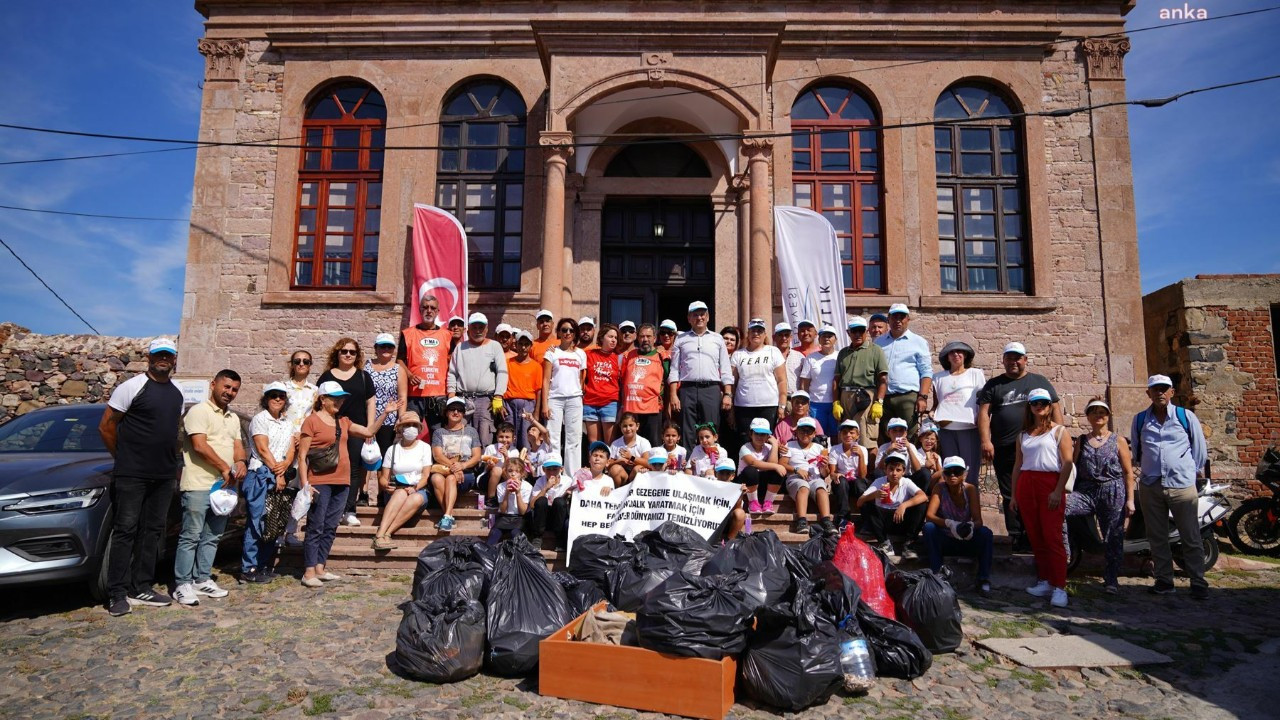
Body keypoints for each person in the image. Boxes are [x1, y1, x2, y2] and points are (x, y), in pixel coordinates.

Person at [98, 338, 185, 615]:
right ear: (149, 357)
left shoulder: (177, 393)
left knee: (152, 531)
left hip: (163, 474)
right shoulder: (132, 387)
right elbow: (106, 427)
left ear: (174, 360)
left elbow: (173, 433)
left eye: (168, 356)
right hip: (132, 473)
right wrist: (122, 458)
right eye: (159, 355)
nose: (163, 359)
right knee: (125, 530)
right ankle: (117, 593)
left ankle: (142, 586)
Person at [298, 380, 390, 588]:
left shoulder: (344, 421)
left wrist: (384, 413)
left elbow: (368, 432)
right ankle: (309, 570)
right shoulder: (311, 421)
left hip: (342, 481)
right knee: (316, 526)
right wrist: (305, 484)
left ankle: (320, 567)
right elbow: (302, 455)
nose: (340, 401)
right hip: (319, 482)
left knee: (330, 526)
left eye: (342, 398)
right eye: (335, 398)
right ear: (322, 399)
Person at [977, 341, 1062, 552]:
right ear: (1003, 360)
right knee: (1010, 493)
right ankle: (1016, 535)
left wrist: (1060, 435)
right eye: (1009, 358)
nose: (1013, 362)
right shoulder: (994, 384)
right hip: (1005, 447)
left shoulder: (1038, 381)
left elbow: (1055, 408)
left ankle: (1033, 534)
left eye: (1017, 358)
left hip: (1035, 446)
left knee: (1034, 491)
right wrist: (986, 441)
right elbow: (984, 414)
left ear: (1025, 359)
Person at [1131, 374, 1209, 599]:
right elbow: (1137, 450)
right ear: (1148, 393)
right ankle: (1164, 581)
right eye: (1155, 389)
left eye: (1164, 389)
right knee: (1157, 536)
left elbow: (1199, 450)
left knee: (1190, 535)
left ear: (1172, 392)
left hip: (1181, 484)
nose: (1160, 393)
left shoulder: (1185, 417)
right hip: (1151, 483)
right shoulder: (1139, 420)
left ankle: (1198, 581)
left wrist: (1187, 471)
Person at [172, 369, 245, 607]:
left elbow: (237, 445)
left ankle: (201, 579)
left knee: (213, 535)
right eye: (226, 387)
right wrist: (225, 467)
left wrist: (241, 462)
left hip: (223, 487)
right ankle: (182, 584)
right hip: (199, 483)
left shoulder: (232, 418)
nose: (229, 393)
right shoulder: (198, 411)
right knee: (191, 535)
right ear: (213, 384)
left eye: (234, 389)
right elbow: (200, 446)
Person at [1011, 387, 1073, 608]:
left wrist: (1058, 490)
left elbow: (1067, 463)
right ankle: (1045, 580)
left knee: (1052, 536)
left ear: (1050, 406)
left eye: (1044, 403)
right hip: (1027, 484)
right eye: (1036, 403)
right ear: (1030, 406)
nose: (1040, 407)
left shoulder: (1059, 431)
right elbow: (1018, 465)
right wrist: (1014, 494)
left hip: (1049, 483)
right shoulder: (1023, 434)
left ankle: (1060, 586)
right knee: (1036, 536)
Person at [1069, 397, 1136, 594]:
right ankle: (1066, 552)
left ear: (1108, 416)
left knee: (1113, 535)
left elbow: (1127, 471)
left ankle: (1111, 579)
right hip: (1086, 491)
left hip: (1112, 490)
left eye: (1102, 412)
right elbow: (1073, 467)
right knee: (1060, 506)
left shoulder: (1118, 440)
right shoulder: (1081, 440)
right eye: (1094, 411)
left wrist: (1130, 499)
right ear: (1088, 416)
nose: (1099, 415)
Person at [318, 337, 377, 527]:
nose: (348, 355)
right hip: (331, 428)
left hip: (356, 429)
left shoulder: (363, 376)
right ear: (337, 353)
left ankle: (349, 510)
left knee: (352, 469)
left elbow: (371, 402)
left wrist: (370, 428)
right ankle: (329, 508)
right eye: (344, 351)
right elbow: (317, 401)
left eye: (352, 352)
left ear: (357, 355)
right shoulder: (327, 376)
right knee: (331, 466)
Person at [241, 381, 296, 584]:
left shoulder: (287, 423)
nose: (278, 399)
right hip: (262, 474)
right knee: (257, 522)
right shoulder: (259, 419)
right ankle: (249, 567)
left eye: (281, 396)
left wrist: (286, 464)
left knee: (273, 523)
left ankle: (263, 564)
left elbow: (291, 449)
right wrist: (278, 473)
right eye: (273, 395)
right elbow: (263, 449)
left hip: (279, 471)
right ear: (266, 399)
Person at [923, 456, 993, 595]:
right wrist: (949, 524)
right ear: (944, 474)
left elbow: (979, 520)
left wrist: (970, 527)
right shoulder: (939, 488)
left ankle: (983, 578)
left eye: (957, 472)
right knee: (929, 528)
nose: (953, 475)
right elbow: (930, 515)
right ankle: (938, 574)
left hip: (966, 537)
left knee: (986, 533)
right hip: (947, 536)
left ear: (964, 474)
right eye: (949, 472)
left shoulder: (970, 489)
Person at [668, 300, 733, 445]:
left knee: (711, 429)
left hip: (711, 389)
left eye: (702, 314)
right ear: (689, 318)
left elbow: (725, 368)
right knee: (687, 430)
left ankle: (711, 463)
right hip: (687, 389)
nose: (699, 318)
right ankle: (689, 466)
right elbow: (674, 369)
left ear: (708, 317)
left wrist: (727, 394)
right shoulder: (681, 339)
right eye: (695, 315)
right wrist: (673, 394)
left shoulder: (717, 339)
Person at [369, 411, 432, 550]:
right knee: (400, 493)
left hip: (417, 489)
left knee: (416, 498)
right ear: (400, 429)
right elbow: (383, 478)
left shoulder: (425, 448)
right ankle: (382, 535)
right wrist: (386, 486)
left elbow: (425, 476)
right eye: (407, 425)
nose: (411, 428)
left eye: (414, 425)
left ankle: (384, 533)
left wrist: (415, 488)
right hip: (396, 491)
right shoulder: (392, 449)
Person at [448, 312, 509, 447]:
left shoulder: (495, 346)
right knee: (462, 438)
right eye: (474, 327)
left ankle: (484, 467)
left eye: (481, 327)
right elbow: (452, 373)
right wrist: (451, 396)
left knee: (484, 437)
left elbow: (502, 372)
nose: (478, 331)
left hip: (486, 400)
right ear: (468, 329)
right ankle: (464, 467)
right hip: (463, 399)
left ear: (486, 329)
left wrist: (498, 395)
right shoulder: (460, 347)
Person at [873, 304, 932, 438]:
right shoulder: (878, 342)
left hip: (908, 397)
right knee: (885, 435)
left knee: (909, 436)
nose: (898, 321)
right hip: (884, 397)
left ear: (908, 319)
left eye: (902, 317)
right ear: (888, 319)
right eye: (894, 317)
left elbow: (926, 372)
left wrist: (922, 397)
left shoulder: (919, 342)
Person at [931, 340, 985, 486]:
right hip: (947, 430)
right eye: (952, 352)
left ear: (966, 355)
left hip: (969, 429)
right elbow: (936, 404)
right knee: (950, 472)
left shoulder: (975, 374)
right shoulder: (938, 378)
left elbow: (982, 402)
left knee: (969, 473)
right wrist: (932, 413)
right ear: (947, 357)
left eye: (960, 351)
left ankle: (971, 506)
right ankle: (952, 507)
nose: (956, 354)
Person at [730, 318, 786, 456]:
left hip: (768, 405)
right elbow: (732, 383)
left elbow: (782, 380)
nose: (756, 333)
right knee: (745, 441)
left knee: (766, 441)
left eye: (760, 331)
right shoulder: (738, 355)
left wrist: (782, 405)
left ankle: (767, 471)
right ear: (748, 334)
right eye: (753, 331)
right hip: (743, 406)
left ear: (765, 334)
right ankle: (747, 472)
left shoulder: (773, 351)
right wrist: (731, 409)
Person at [398, 291, 453, 432]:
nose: (429, 311)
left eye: (433, 308)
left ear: (438, 311)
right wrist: (409, 375)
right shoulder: (407, 333)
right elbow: (399, 360)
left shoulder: (447, 335)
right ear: (420, 309)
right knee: (410, 433)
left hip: (439, 394)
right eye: (425, 307)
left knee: (439, 434)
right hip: (414, 395)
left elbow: (453, 363)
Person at [427, 396, 483, 533]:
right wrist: (454, 467)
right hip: (445, 469)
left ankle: (446, 515)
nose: (456, 412)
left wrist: (462, 466)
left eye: (459, 410)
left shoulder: (471, 431)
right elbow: (437, 455)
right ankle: (449, 516)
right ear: (446, 412)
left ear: (463, 413)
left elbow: (477, 456)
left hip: (466, 473)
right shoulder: (439, 432)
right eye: (452, 409)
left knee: (451, 478)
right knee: (435, 478)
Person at [857, 451, 927, 559]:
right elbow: (859, 502)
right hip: (883, 523)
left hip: (901, 520)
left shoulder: (906, 482)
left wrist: (904, 505)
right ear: (885, 470)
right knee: (867, 505)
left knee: (921, 505)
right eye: (891, 469)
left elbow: (923, 496)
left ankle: (909, 544)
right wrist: (874, 495)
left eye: (898, 470)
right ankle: (884, 543)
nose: (894, 473)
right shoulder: (879, 481)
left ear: (903, 472)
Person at [834, 316, 887, 456]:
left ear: (866, 331)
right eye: (854, 331)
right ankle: (848, 472)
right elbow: (836, 380)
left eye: (861, 331)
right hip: (845, 395)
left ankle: (868, 475)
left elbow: (883, 379)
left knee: (867, 439)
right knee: (845, 437)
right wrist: (836, 402)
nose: (857, 334)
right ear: (848, 332)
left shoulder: (876, 350)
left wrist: (879, 402)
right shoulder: (843, 353)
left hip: (866, 396)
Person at [365, 332, 408, 503]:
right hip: (369, 419)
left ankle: (383, 493)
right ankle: (363, 492)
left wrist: (401, 418)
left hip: (388, 420)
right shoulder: (366, 367)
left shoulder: (398, 369)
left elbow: (402, 396)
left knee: (384, 458)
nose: (385, 349)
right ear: (375, 349)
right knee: (367, 457)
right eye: (382, 346)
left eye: (389, 346)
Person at [543, 317, 587, 476]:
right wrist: (544, 405)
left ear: (575, 333)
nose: (567, 333)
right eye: (564, 330)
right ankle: (552, 474)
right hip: (555, 399)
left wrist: (578, 393)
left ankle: (572, 477)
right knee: (553, 438)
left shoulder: (581, 354)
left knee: (574, 439)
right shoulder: (551, 352)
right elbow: (545, 380)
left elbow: (582, 379)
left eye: (571, 330)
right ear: (559, 333)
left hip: (574, 399)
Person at [784, 417, 834, 535]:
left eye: (809, 431)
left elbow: (825, 474)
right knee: (803, 487)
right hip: (795, 478)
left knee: (821, 488)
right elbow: (782, 464)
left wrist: (824, 467)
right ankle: (801, 520)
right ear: (796, 432)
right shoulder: (789, 445)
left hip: (815, 478)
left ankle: (826, 520)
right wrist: (796, 470)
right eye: (802, 430)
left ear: (814, 434)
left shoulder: (820, 448)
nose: (805, 434)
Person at [622, 323, 670, 444]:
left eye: (648, 336)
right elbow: (622, 379)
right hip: (631, 408)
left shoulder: (662, 356)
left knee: (653, 444)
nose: (645, 340)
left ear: (655, 338)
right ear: (637, 338)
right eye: (642, 336)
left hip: (652, 408)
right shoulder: (629, 355)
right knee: (632, 445)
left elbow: (669, 383)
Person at [583, 323, 623, 447]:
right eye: (610, 336)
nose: (613, 340)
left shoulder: (619, 358)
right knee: (593, 441)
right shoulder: (589, 354)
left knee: (610, 441)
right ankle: (596, 465)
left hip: (610, 402)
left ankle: (609, 466)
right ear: (601, 338)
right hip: (590, 402)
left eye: (615, 338)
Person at [738, 417, 788, 514]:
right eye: (757, 433)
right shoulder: (745, 447)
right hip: (746, 484)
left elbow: (773, 464)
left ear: (768, 436)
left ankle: (768, 502)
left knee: (777, 471)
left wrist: (774, 445)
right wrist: (776, 466)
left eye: (763, 434)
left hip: (763, 484)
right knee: (751, 470)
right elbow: (753, 463)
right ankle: (753, 502)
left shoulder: (769, 447)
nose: (760, 437)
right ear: (751, 434)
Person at [504, 330, 542, 448]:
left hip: (528, 405)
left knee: (526, 437)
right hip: (509, 404)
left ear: (531, 346)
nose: (523, 347)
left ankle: (526, 463)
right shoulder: (508, 363)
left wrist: (536, 411)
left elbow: (538, 390)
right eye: (521, 344)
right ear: (516, 345)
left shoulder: (536, 366)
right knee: (509, 436)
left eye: (527, 344)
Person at [799, 325, 840, 434]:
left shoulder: (840, 356)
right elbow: (804, 384)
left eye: (830, 336)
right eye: (824, 336)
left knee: (836, 435)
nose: (827, 339)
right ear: (819, 339)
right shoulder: (811, 358)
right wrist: (805, 404)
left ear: (835, 339)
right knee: (818, 436)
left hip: (835, 404)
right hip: (815, 404)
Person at [488, 450, 533, 545]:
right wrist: (507, 493)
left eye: (517, 471)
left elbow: (523, 511)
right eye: (510, 471)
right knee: (493, 535)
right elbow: (503, 510)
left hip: (520, 518)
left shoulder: (527, 486)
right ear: (505, 472)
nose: (513, 474)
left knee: (516, 535)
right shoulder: (501, 486)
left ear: (522, 473)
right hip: (505, 517)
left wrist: (518, 493)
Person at [829, 419, 869, 521]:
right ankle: (843, 516)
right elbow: (832, 473)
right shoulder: (834, 449)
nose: (848, 435)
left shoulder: (862, 449)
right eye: (845, 432)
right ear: (840, 435)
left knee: (860, 484)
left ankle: (867, 519)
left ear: (857, 435)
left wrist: (861, 456)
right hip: (842, 483)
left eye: (852, 433)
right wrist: (836, 475)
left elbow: (863, 475)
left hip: (856, 482)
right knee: (841, 481)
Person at [528, 453, 569, 551]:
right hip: (543, 518)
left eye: (555, 469)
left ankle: (559, 538)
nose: (551, 472)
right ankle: (537, 537)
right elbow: (532, 505)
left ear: (561, 469)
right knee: (541, 500)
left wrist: (567, 494)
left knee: (559, 501)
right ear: (543, 469)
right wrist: (546, 488)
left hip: (558, 518)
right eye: (548, 469)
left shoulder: (568, 481)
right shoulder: (540, 481)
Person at [607, 412, 652, 486]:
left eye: (631, 425)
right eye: (625, 426)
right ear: (620, 427)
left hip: (634, 476)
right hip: (621, 476)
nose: (628, 429)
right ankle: (617, 493)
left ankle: (636, 495)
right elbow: (608, 465)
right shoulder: (615, 444)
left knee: (638, 469)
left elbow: (648, 463)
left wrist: (631, 457)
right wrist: (619, 461)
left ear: (637, 426)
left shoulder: (644, 442)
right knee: (615, 469)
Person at [481, 422, 519, 508]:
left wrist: (506, 456)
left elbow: (513, 469)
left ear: (513, 439)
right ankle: (491, 498)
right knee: (497, 469)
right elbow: (486, 469)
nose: (504, 440)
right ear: (497, 437)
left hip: (506, 478)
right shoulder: (491, 448)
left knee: (512, 473)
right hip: (488, 479)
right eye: (501, 437)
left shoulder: (514, 451)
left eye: (507, 437)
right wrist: (490, 465)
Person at [283, 350, 319, 436]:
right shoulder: (283, 387)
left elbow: (315, 415)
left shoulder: (315, 390)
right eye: (297, 361)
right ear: (292, 364)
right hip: (285, 434)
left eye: (306, 361)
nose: (301, 364)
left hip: (306, 435)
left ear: (310, 365)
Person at [713, 458, 749, 540]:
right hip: (710, 520)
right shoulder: (708, 484)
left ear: (733, 476)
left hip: (727, 522)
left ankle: (729, 542)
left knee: (740, 513)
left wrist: (740, 495)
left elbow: (737, 511)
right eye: (721, 473)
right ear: (715, 474)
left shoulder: (737, 489)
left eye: (728, 473)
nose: (724, 476)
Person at [774, 322, 805, 412]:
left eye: (786, 335)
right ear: (774, 337)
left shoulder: (800, 357)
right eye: (780, 335)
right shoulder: (769, 355)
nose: (784, 338)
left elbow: (804, 381)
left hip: (795, 401)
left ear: (791, 337)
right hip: (775, 401)